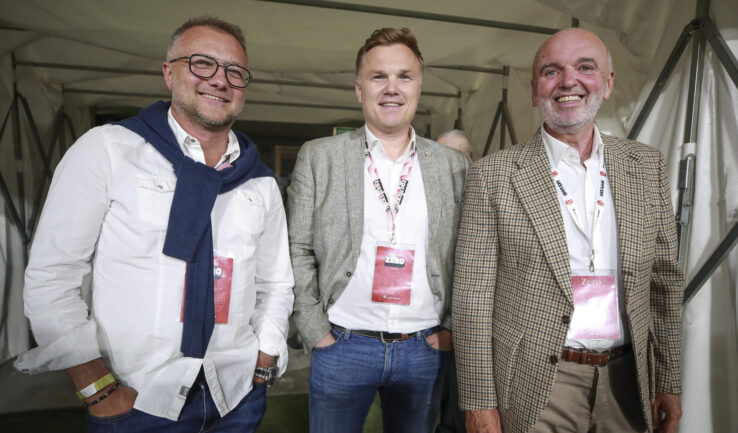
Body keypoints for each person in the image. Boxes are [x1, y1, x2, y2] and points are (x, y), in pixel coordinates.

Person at [14, 16, 294, 432]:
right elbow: (52, 277)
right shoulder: (108, 150)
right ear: (169, 73)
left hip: (235, 396)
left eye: (235, 71)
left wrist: (266, 354)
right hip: (137, 400)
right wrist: (99, 390)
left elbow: (274, 283)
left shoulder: (260, 182)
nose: (220, 80)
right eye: (202, 63)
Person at [452, 28, 684, 433]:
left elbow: (665, 282)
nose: (568, 81)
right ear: (534, 89)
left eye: (585, 67)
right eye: (551, 71)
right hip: (538, 383)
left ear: (608, 82)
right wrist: (478, 401)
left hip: (628, 380)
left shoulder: (647, 167)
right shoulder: (493, 175)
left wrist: (669, 380)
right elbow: (472, 298)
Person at [287, 27, 469, 433]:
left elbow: (470, 253)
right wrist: (316, 331)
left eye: (404, 76)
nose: (392, 89)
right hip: (342, 345)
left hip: (424, 348)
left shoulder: (452, 166)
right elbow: (296, 247)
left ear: (419, 87)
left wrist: (452, 328)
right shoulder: (320, 157)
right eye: (378, 77)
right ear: (359, 89)